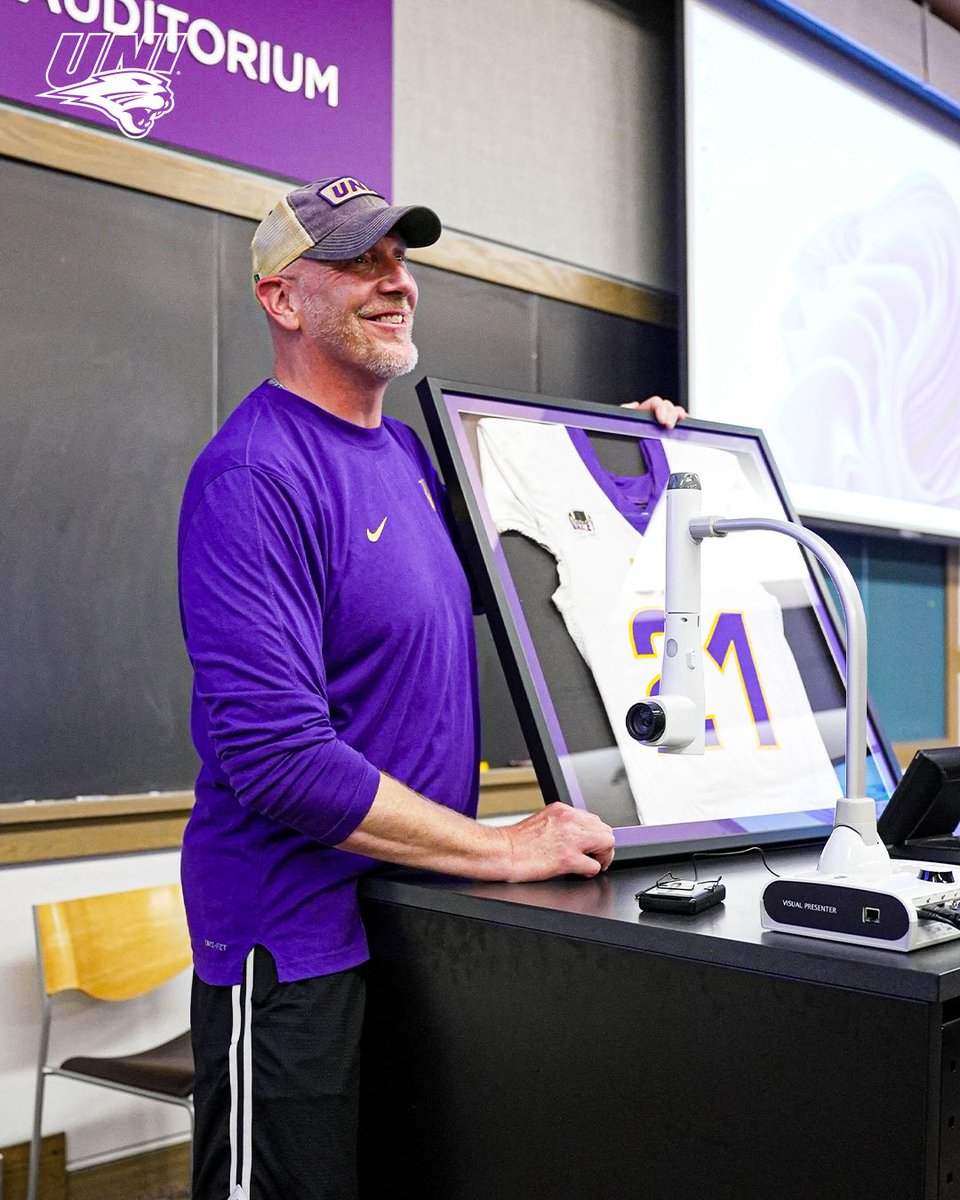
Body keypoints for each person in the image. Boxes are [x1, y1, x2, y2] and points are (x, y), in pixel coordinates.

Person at [177, 173, 685, 1200]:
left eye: (400, 259)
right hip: (294, 946)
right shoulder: (252, 476)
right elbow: (276, 760)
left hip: (415, 918)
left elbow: (515, 578)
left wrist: (627, 449)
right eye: (360, 262)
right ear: (283, 298)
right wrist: (499, 846)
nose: (394, 282)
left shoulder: (407, 454)